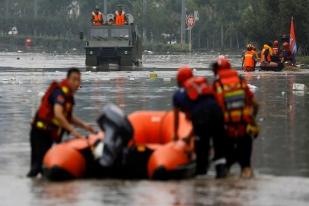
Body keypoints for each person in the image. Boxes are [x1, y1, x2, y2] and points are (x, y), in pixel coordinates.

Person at [27, 68, 96, 177]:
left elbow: (68, 117)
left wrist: (85, 126)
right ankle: (32, 188)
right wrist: (73, 131)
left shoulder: (68, 96)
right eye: (74, 80)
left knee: (40, 167)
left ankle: (38, 190)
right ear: (67, 80)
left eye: (78, 80)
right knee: (37, 167)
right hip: (40, 133)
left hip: (47, 134)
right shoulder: (59, 93)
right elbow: (58, 114)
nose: (76, 83)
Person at [173, 66, 227, 178]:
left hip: (201, 119)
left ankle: (201, 175)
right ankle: (221, 174)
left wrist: (175, 135)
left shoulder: (178, 95)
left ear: (179, 80)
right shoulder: (204, 86)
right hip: (218, 114)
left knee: (202, 147)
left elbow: (178, 118)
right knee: (219, 146)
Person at [212, 56, 259, 178]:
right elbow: (256, 105)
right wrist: (252, 121)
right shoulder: (240, 80)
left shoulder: (217, 85)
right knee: (246, 167)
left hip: (227, 131)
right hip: (244, 129)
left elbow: (215, 110)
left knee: (225, 168)